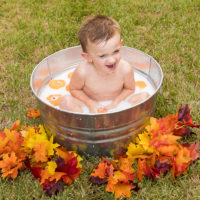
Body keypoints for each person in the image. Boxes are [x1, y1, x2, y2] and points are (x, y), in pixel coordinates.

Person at [59, 15, 149, 113]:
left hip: (119, 103)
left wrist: (116, 104)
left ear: (120, 45)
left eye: (115, 51)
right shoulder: (83, 72)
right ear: (88, 57)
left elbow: (130, 89)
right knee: (66, 101)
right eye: (102, 56)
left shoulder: (125, 69)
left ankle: (123, 118)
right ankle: (85, 123)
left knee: (145, 97)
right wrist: (90, 103)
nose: (111, 60)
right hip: (87, 104)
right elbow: (74, 90)